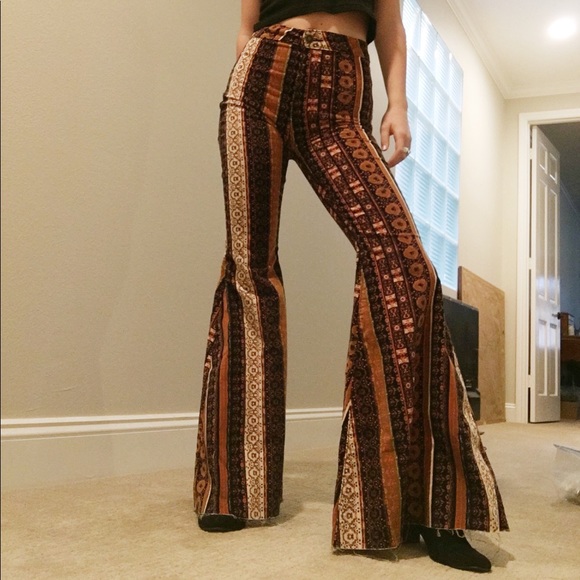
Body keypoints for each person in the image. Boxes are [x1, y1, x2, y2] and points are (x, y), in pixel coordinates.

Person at [193, 0, 508, 573]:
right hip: (257, 78)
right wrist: (243, 80)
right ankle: (234, 486)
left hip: (339, 89)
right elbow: (246, 26)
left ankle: (426, 504)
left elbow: (390, 26)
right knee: (249, 271)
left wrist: (398, 103)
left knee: (406, 264)